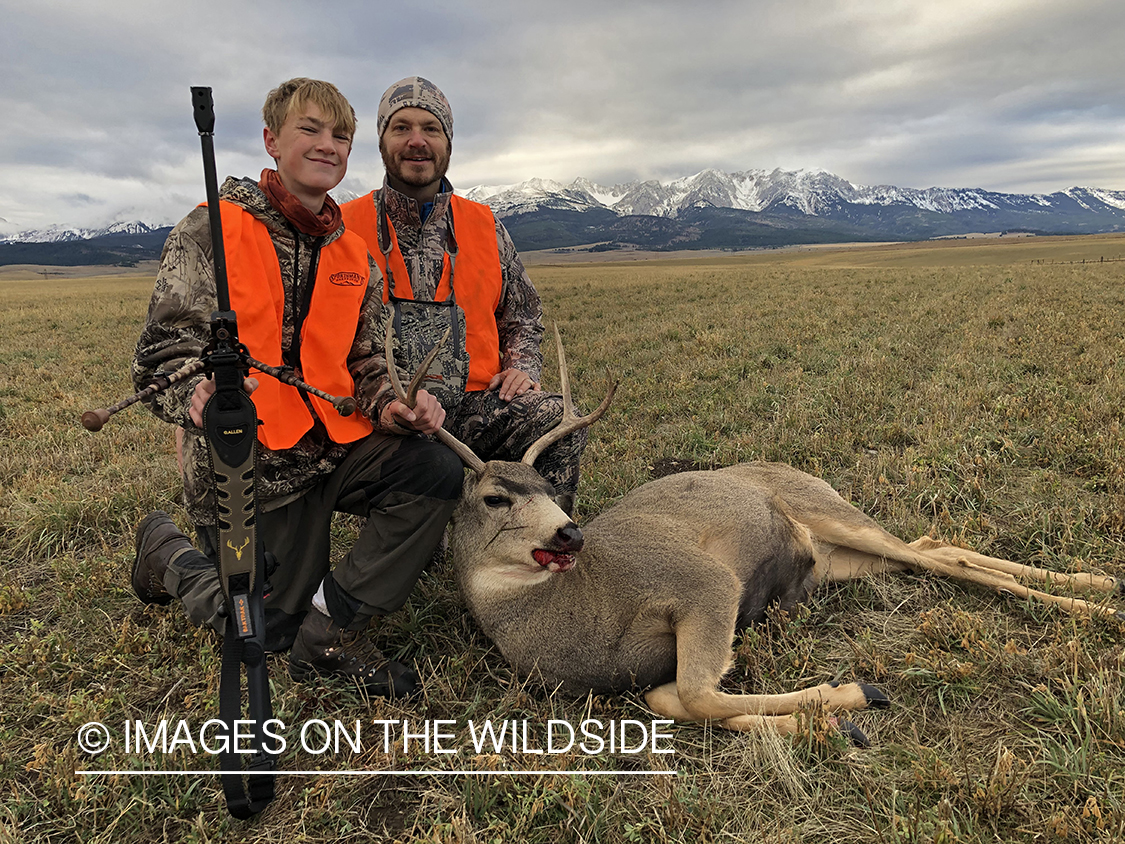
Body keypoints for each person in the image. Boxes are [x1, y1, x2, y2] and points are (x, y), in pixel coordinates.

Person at [130, 78, 464, 697]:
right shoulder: (211, 231)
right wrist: (196, 394)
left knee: (435, 468)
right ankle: (168, 551)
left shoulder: (354, 252)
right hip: (246, 462)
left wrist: (392, 402)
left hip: (332, 448)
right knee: (260, 628)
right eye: (309, 130)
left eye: (340, 136)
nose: (327, 145)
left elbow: (367, 361)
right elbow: (160, 355)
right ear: (270, 140)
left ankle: (332, 629)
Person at [340, 76, 586, 517]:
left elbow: (524, 316)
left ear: (448, 143)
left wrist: (521, 367)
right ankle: (416, 523)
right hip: (378, 415)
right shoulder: (342, 226)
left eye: (431, 129)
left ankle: (543, 538)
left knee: (556, 420)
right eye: (401, 128)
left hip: (474, 407)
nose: (417, 141)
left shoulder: (485, 225)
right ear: (381, 142)